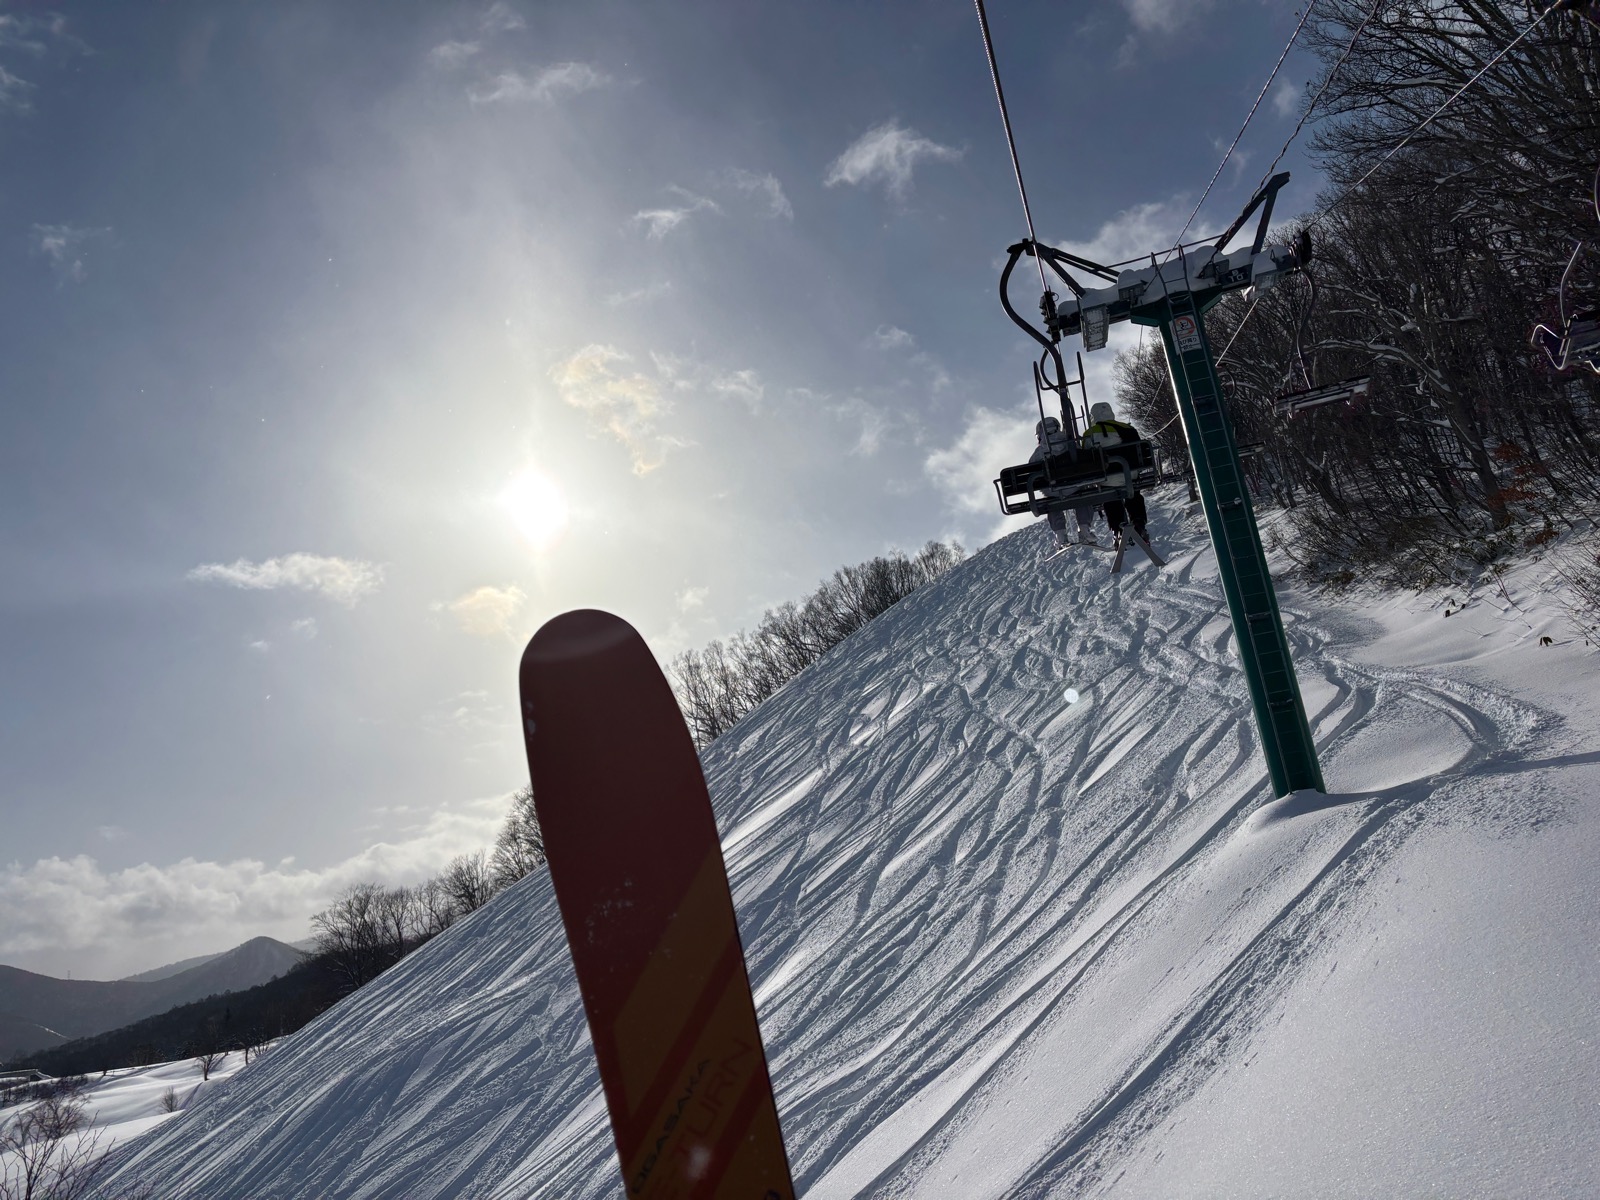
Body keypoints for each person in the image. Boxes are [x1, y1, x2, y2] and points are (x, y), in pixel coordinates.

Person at [1081, 401, 1149, 542]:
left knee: (1109, 497)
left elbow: (1086, 460)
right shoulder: (1126, 428)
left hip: (1106, 478)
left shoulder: (1089, 434)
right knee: (1133, 492)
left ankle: (1118, 528)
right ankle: (1139, 522)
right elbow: (1141, 451)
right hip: (1130, 473)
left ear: (1093, 416)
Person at [1030, 416, 1099, 549]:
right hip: (1075, 486)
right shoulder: (1070, 442)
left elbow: (1031, 473)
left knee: (1050, 501)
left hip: (1053, 491)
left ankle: (1060, 534)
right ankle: (1084, 529)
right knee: (1083, 493)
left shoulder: (1039, 452)